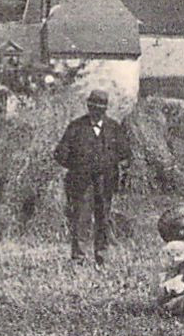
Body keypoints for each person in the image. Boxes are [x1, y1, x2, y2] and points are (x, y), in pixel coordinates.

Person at [54, 89, 130, 265]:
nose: (97, 110)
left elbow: (125, 153)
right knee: (81, 218)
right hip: (82, 183)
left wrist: (112, 166)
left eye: (101, 107)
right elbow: (59, 153)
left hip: (106, 182)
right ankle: (78, 258)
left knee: (103, 218)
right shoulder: (76, 127)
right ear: (88, 106)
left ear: (106, 108)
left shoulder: (114, 128)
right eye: (94, 106)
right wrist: (77, 168)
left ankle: (101, 256)